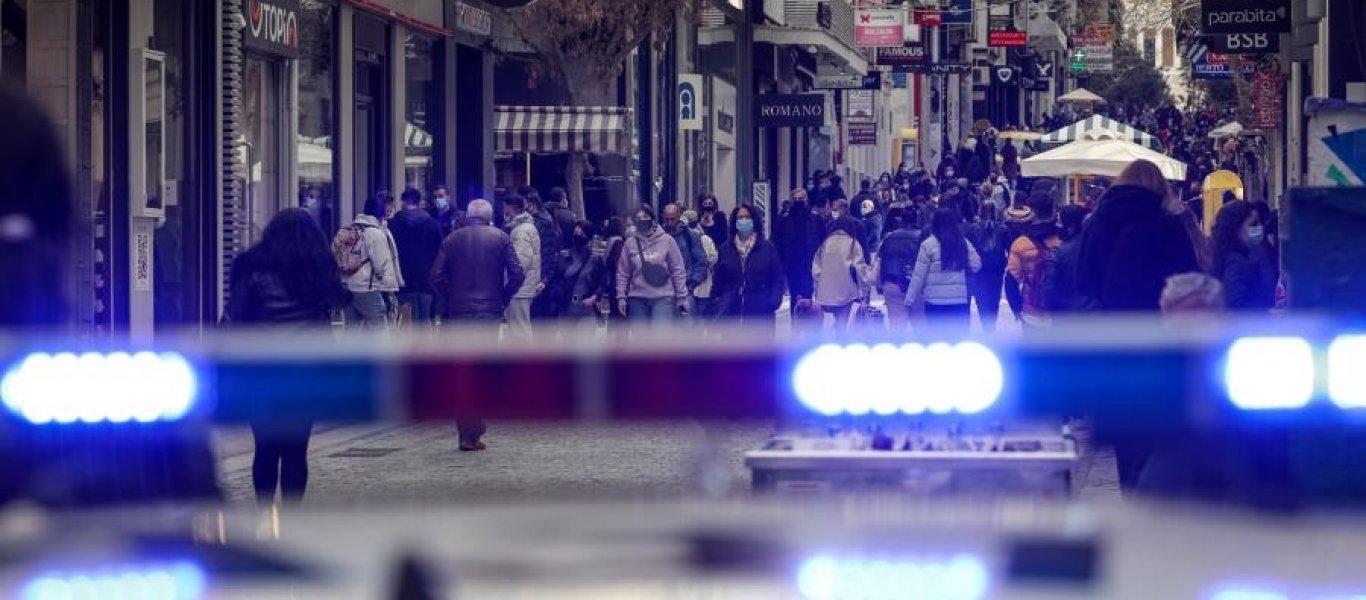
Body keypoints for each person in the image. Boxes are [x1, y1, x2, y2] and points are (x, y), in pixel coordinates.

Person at [226, 208, 349, 505]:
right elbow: (333, 311)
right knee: (296, 450)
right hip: (305, 374)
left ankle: (265, 515)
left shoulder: (252, 270)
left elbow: (232, 321)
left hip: (260, 373)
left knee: (265, 448)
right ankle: (292, 517)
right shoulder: (317, 271)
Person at [430, 199, 526, 451]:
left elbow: (436, 276)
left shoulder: (452, 239)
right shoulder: (501, 237)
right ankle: (476, 426)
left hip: (460, 311)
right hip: (488, 311)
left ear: (468, 216)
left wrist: (451, 297)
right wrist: (502, 297)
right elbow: (517, 274)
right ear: (489, 217)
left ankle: (466, 431)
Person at [1077, 160, 1199, 312]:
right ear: (1161, 186)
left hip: (1105, 317)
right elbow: (1186, 278)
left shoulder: (1095, 222)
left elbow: (1083, 280)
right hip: (1153, 317)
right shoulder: (1167, 224)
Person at [710, 204, 787, 328]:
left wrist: (773, 301)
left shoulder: (767, 248)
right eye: (740, 217)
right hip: (731, 315)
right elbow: (718, 280)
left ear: (754, 221)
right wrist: (717, 302)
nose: (743, 220)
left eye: (747, 217)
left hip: (760, 315)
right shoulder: (725, 249)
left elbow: (778, 277)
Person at [907, 208, 982, 331]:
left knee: (937, 338)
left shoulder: (928, 245)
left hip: (934, 302)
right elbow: (976, 264)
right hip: (958, 299)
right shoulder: (963, 242)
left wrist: (910, 299)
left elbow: (919, 275)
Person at [336, 193, 404, 328]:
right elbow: (382, 264)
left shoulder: (347, 229)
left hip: (347, 287)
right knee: (378, 331)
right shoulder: (375, 233)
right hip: (368, 289)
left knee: (351, 331)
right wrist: (389, 289)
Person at [615, 206, 690, 326]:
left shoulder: (667, 240)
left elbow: (677, 270)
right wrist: (621, 297)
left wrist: (682, 297)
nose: (642, 220)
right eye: (638, 218)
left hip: (663, 297)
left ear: (653, 219)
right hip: (637, 298)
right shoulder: (630, 243)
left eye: (645, 217)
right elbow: (623, 272)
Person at [1006, 196, 1063, 331]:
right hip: (1061, 313)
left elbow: (1011, 281)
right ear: (1053, 212)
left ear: (1031, 213)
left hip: (1032, 312)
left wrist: (1017, 310)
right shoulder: (1065, 240)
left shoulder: (1020, 244)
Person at [389, 187, 443, 326]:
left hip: (402, 280)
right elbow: (440, 251)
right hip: (426, 280)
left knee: (404, 321)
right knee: (425, 320)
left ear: (403, 202)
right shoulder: (432, 224)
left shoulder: (393, 224)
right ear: (419, 202)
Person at [1211, 201, 1277, 313]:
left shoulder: (1226, 257)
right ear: (1236, 229)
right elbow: (1237, 305)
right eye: (1253, 224)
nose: (1260, 228)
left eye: (1260, 223)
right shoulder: (1236, 262)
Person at [774, 188, 826, 327]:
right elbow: (777, 242)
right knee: (794, 296)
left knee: (808, 296)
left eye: (801, 198)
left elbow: (823, 242)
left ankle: (809, 326)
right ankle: (796, 326)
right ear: (791, 200)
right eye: (796, 198)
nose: (798, 201)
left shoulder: (815, 219)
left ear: (806, 199)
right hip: (791, 266)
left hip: (810, 265)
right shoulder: (784, 220)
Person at [811, 216, 872, 333]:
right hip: (846, 291)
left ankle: (837, 334)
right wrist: (864, 290)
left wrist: (819, 289)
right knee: (844, 322)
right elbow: (860, 269)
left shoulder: (824, 244)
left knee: (836, 319)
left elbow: (816, 271)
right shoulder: (853, 244)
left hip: (826, 292)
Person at [875, 207, 924, 332]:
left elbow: (880, 261)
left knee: (897, 327)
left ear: (901, 219)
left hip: (892, 283)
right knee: (920, 327)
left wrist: (879, 284)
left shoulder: (889, 238)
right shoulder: (923, 237)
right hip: (917, 285)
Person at [503, 194, 542, 340]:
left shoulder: (520, 231)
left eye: (504, 207)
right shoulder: (523, 228)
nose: (503, 210)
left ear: (510, 208)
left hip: (519, 289)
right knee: (519, 329)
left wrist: (510, 285)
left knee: (519, 332)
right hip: (523, 287)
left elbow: (521, 262)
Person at [557, 220, 608, 331]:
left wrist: (595, 297)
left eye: (582, 234)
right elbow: (557, 280)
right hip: (567, 308)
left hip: (587, 309)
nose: (578, 236)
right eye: (576, 233)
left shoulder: (595, 259)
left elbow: (603, 281)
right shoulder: (565, 256)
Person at [966, 202, 1008, 332]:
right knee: (994, 297)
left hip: (980, 269)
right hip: (996, 269)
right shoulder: (1002, 229)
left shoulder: (973, 229)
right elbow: (1007, 248)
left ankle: (986, 325)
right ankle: (991, 326)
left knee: (982, 298)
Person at [1043, 205, 1089, 315]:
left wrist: (1050, 309)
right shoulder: (1097, 247)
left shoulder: (1060, 253)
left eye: (1060, 223)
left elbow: (1049, 287)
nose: (1058, 227)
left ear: (1070, 227)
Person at [662, 203, 707, 309]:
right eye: (667, 219)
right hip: (663, 290)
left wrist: (692, 284)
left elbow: (700, 261)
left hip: (685, 288)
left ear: (678, 217)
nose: (669, 223)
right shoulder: (658, 236)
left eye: (672, 219)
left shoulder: (690, 235)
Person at [526, 192, 562, 322]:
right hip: (540, 277)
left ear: (531, 205)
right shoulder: (545, 221)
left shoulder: (541, 223)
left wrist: (543, 279)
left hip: (540, 278)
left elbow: (548, 253)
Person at [684, 209, 721, 319]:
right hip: (694, 288)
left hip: (699, 288)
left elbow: (713, 260)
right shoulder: (705, 239)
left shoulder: (703, 239)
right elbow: (713, 259)